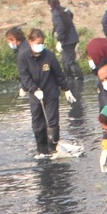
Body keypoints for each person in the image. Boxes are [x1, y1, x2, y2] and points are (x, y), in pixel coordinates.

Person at [20, 26, 71, 157]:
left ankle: (53, 148)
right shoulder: (23, 57)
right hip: (35, 94)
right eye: (38, 43)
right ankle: (41, 148)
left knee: (52, 121)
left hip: (50, 92)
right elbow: (25, 77)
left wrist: (66, 89)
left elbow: (59, 74)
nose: (41, 45)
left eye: (42, 43)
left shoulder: (50, 55)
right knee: (37, 122)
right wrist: (33, 89)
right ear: (30, 42)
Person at [49, 0, 81, 79]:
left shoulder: (56, 13)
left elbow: (60, 27)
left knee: (69, 61)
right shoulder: (65, 9)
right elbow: (71, 15)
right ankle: (69, 77)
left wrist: (59, 39)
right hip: (72, 37)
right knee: (65, 60)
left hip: (67, 40)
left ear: (50, 5)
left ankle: (77, 78)